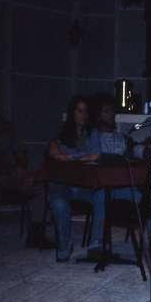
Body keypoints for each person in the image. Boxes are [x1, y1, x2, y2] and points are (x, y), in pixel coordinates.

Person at [93, 93, 151, 260]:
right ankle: (97, 244)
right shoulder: (93, 137)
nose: (111, 115)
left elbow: (134, 149)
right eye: (107, 111)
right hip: (102, 186)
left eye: (112, 111)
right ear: (98, 115)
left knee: (148, 196)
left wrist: (146, 150)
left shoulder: (122, 138)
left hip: (123, 188)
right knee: (100, 196)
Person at [0, 79, 52, 250]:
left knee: (38, 187)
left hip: (9, 174)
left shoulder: (5, 126)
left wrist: (21, 166)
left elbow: (20, 150)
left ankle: (35, 235)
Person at [48, 95, 104, 262]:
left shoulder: (92, 133)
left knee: (101, 195)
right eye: (79, 111)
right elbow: (54, 154)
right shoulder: (62, 131)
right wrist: (80, 157)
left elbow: (95, 155)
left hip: (84, 185)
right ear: (72, 112)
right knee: (58, 203)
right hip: (63, 184)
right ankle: (64, 246)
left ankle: (95, 243)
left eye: (85, 111)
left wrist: (70, 157)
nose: (83, 115)